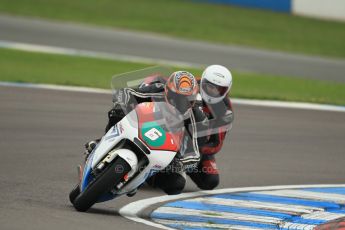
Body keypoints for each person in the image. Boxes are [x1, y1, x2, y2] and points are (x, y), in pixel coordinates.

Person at [85, 70, 208, 195]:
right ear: (167, 91)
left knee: (176, 184)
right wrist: (123, 106)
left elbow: (195, 156)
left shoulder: (198, 119)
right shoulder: (156, 90)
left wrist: (179, 162)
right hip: (142, 125)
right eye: (176, 97)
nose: (180, 103)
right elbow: (124, 92)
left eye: (186, 100)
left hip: (167, 152)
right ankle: (103, 142)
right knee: (117, 112)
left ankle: (144, 177)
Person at [188, 65, 234, 190]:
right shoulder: (189, 85)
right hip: (173, 132)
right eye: (209, 85)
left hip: (196, 146)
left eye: (218, 89)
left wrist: (195, 150)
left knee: (210, 181)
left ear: (226, 90)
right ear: (202, 81)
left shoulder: (224, 110)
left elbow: (216, 144)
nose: (212, 91)